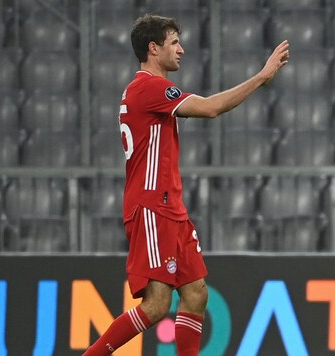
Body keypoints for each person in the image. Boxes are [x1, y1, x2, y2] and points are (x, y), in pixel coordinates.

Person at [83, 14, 289, 356]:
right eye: (174, 42)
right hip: (151, 207)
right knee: (156, 306)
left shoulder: (149, 90)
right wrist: (262, 77)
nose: (181, 49)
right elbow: (210, 109)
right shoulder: (148, 87)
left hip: (170, 208)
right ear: (154, 48)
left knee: (195, 293)